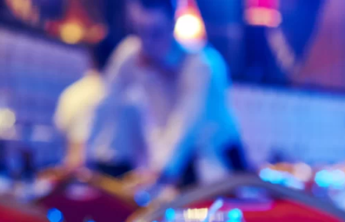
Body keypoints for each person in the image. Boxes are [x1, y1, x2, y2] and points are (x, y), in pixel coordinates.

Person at [95, 0, 246, 189]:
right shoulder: (131, 53)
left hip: (217, 164)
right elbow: (105, 102)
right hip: (172, 166)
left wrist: (158, 171)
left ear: (172, 26)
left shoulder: (202, 64)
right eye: (141, 32)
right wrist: (84, 157)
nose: (147, 43)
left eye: (155, 33)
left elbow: (184, 126)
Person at [54, 41, 112, 170]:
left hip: (74, 176)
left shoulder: (72, 94)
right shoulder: (127, 98)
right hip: (113, 181)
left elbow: (61, 128)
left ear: (90, 58)